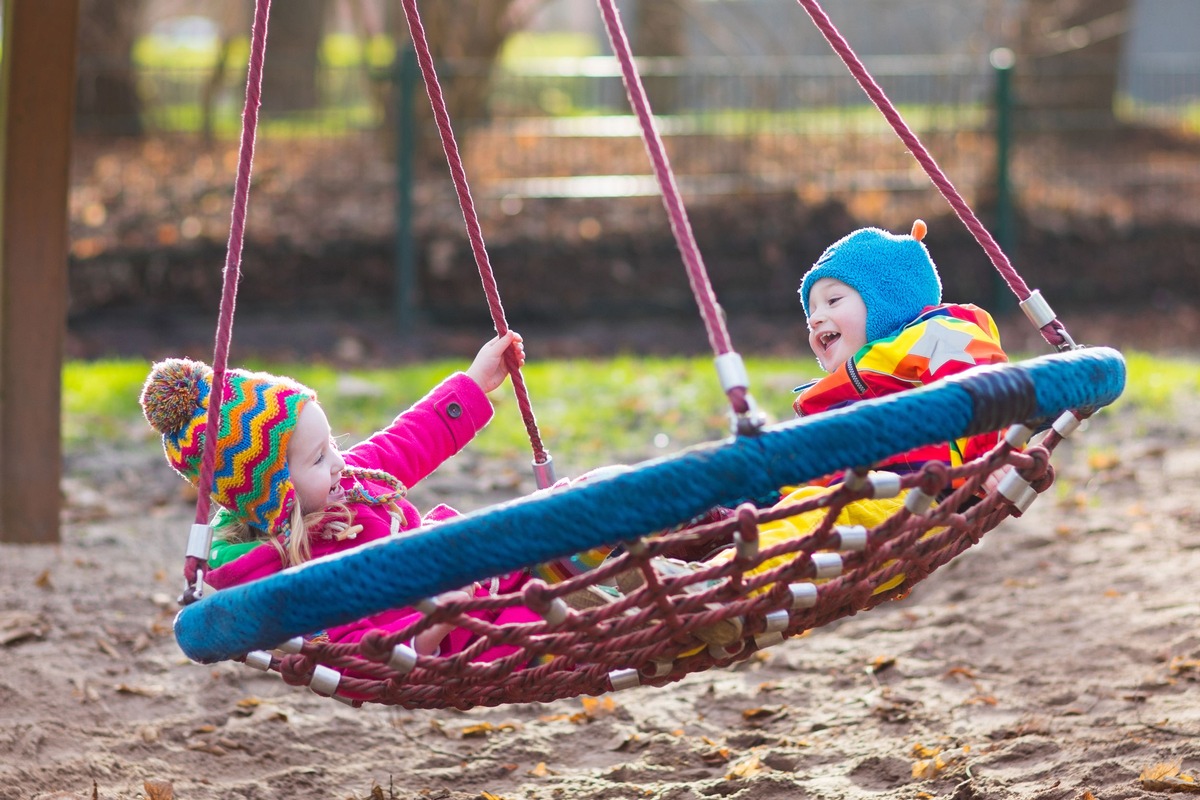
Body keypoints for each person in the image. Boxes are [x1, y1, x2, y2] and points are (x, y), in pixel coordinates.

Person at [624, 220, 1010, 646]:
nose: (816, 319)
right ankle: (637, 578)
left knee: (808, 516)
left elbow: (987, 386)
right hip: (840, 496)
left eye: (834, 299)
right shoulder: (857, 377)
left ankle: (718, 590)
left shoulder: (936, 333)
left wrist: (995, 453)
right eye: (811, 312)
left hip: (910, 503)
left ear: (888, 298)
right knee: (721, 500)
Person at [140, 331, 542, 663]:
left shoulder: (340, 485)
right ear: (274, 494)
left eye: (331, 443)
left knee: (579, 498)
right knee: (553, 617)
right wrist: (434, 623)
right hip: (476, 636)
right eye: (318, 457)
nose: (338, 462)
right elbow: (353, 649)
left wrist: (474, 383)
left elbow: (406, 440)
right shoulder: (288, 575)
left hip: (489, 565)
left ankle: (592, 569)